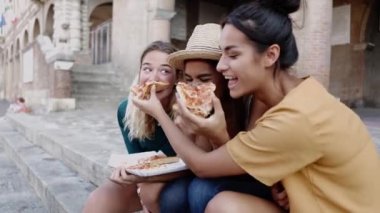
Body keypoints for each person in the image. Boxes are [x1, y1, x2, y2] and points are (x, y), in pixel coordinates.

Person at [131, 1, 380, 212]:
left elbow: (202, 166)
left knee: (213, 199)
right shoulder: (303, 94)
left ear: (270, 55)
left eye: (233, 55)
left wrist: (157, 112)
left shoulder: (295, 117)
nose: (220, 66)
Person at [159, 23, 273, 213]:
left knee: (200, 190)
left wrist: (215, 134)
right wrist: (193, 129)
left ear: (225, 74)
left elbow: (245, 166)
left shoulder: (254, 100)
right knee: (172, 196)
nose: (194, 87)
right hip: (216, 170)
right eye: (188, 79)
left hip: (257, 178)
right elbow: (198, 162)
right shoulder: (200, 104)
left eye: (204, 79)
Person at [83, 40, 181, 213]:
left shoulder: (185, 110)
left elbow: (181, 160)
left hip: (181, 175)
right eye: (147, 69)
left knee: (154, 194)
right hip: (149, 174)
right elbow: (138, 158)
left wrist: (158, 112)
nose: (153, 79)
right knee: (99, 200)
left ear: (176, 78)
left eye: (165, 71)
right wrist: (130, 171)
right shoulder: (126, 110)